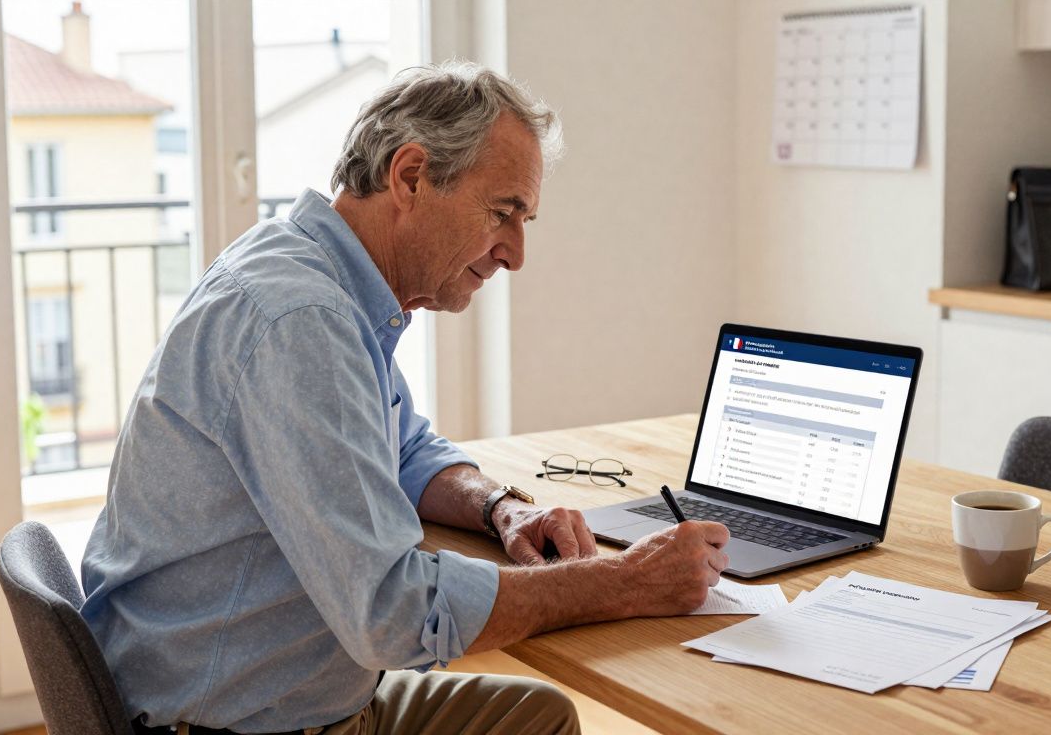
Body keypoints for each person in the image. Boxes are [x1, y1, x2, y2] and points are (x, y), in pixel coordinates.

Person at [80, 61, 730, 735]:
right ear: (411, 176)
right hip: (233, 724)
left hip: (266, 696)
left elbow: (406, 449)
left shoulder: (314, 273)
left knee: (539, 716)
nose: (515, 254)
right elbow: (393, 614)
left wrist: (500, 509)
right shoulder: (301, 320)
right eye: (503, 213)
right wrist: (627, 581)